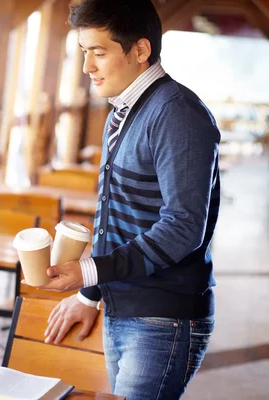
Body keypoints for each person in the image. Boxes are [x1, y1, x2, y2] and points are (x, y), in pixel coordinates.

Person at [31, 1, 221, 398]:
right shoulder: (126, 108)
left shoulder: (177, 114)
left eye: (99, 52)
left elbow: (184, 227)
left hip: (163, 317)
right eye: (84, 53)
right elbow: (119, 215)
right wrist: (91, 292)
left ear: (140, 50)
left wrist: (88, 273)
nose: (88, 68)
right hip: (125, 305)